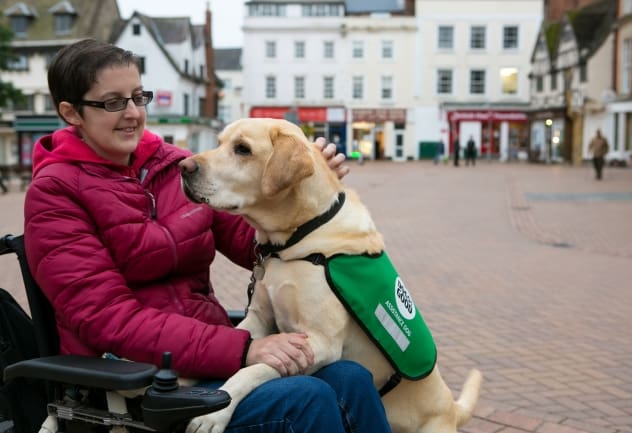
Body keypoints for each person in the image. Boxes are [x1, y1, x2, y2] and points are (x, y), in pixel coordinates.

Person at [23, 39, 391, 433]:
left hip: (210, 362)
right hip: (134, 383)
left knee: (350, 377)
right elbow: (108, 319)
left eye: (137, 97)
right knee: (307, 398)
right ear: (71, 112)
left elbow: (257, 245)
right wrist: (244, 349)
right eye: (112, 102)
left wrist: (299, 182)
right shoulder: (55, 193)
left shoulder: (172, 167)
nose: (133, 113)